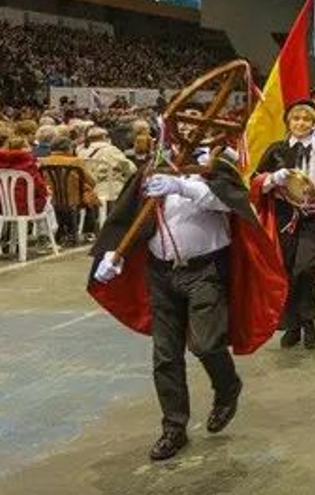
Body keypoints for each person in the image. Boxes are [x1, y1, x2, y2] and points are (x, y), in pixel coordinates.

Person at [89, 148, 287, 461]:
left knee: (207, 344)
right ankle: (174, 427)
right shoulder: (152, 169)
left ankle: (227, 387)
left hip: (206, 270)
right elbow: (129, 217)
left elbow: (230, 203)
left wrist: (183, 186)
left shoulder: (215, 166)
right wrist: (113, 254)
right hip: (160, 272)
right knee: (165, 355)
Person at [251, 99, 315, 350]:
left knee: (305, 269)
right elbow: (255, 182)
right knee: (287, 271)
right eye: (296, 118)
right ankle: (292, 325)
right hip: (284, 220)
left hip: (313, 220)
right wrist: (273, 178)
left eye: (307, 119)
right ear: (288, 122)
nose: (301, 123)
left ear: (314, 123)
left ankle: (309, 321)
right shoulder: (276, 150)